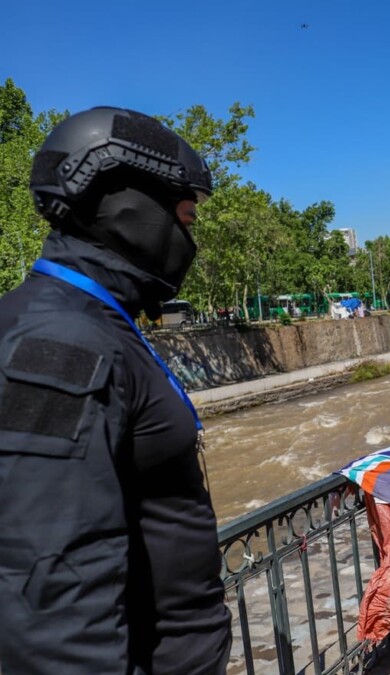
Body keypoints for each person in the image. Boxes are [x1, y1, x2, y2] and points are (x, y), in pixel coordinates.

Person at [0, 108, 231, 672]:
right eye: (185, 216)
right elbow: (50, 584)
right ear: (130, 209)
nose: (189, 235)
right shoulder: (61, 343)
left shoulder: (94, 323)